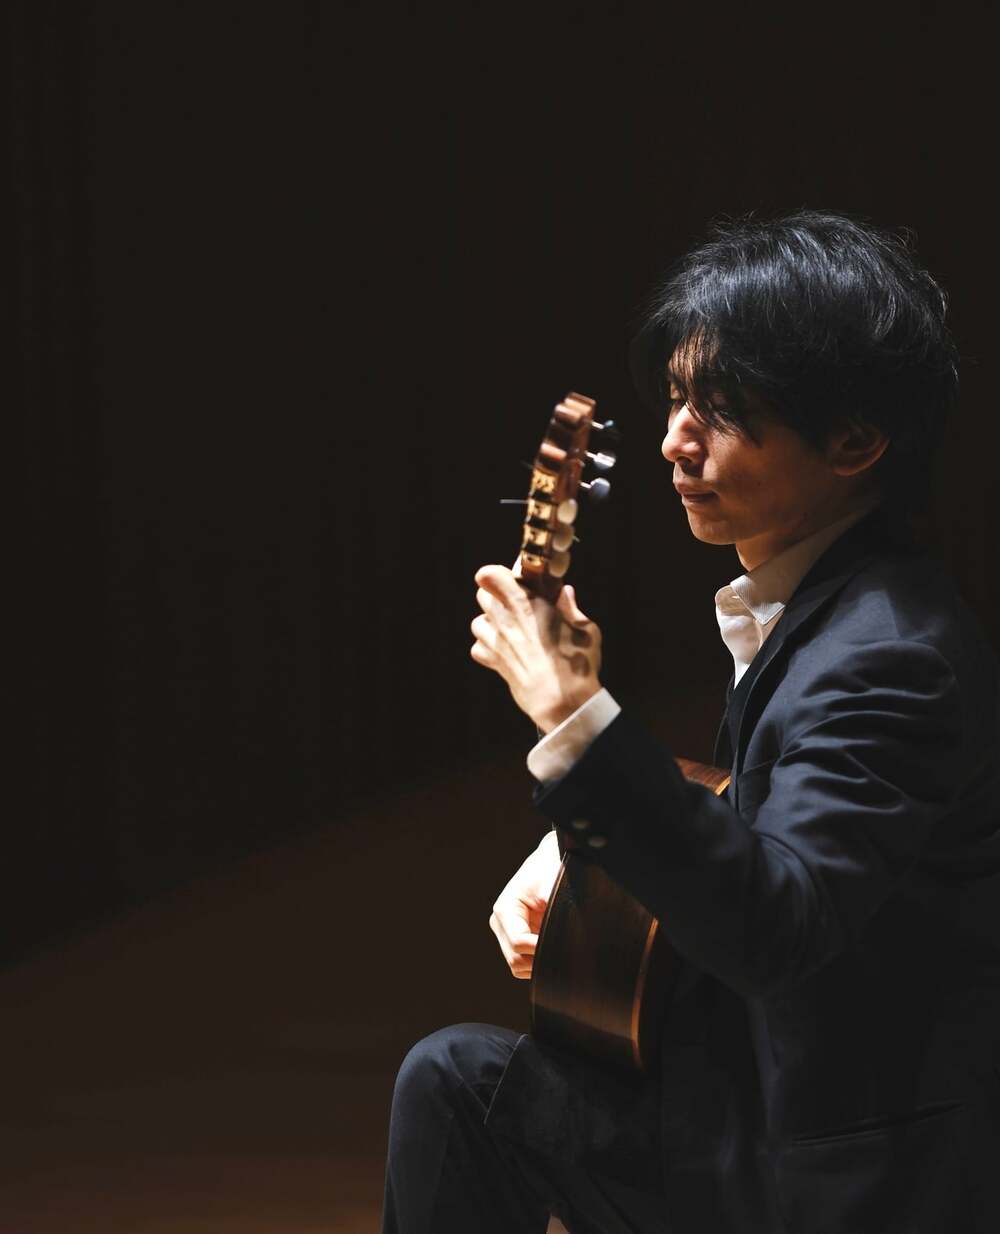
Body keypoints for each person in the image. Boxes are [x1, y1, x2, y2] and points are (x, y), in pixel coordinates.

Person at [381, 211, 1000, 1233]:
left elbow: (777, 923)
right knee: (455, 1084)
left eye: (723, 409)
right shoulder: (828, 606)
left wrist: (575, 717)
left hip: (842, 1175)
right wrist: (583, 843)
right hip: (754, 1107)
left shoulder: (893, 655)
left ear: (854, 439)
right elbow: (778, 809)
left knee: (459, 1086)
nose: (675, 438)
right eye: (676, 397)